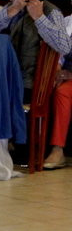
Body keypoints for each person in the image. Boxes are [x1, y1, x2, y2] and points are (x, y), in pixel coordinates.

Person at [0, 0, 71, 102]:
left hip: (33, 84)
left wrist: (39, 17)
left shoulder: (51, 11)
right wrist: (14, 9)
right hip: (4, 78)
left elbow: (64, 47)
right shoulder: (10, 8)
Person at [44, 12, 72, 169]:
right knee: (61, 92)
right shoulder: (65, 22)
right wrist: (57, 69)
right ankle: (57, 149)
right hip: (68, 79)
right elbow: (58, 54)